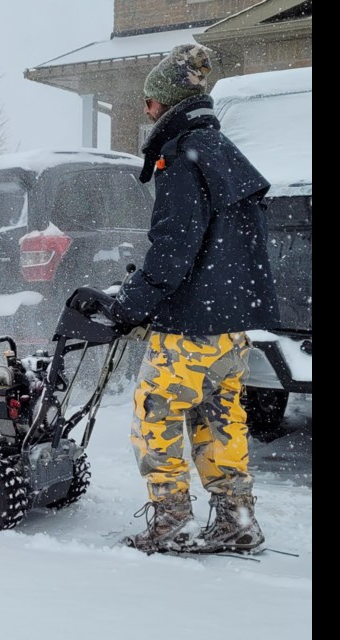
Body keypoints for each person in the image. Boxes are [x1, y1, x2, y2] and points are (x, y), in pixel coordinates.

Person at [101, 44, 280, 554]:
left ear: (168, 103)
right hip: (229, 329)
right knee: (219, 419)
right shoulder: (222, 151)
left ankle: (170, 518)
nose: (145, 110)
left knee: (155, 417)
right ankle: (237, 520)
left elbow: (173, 249)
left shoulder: (182, 155)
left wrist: (129, 305)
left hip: (189, 330)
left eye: (150, 101)